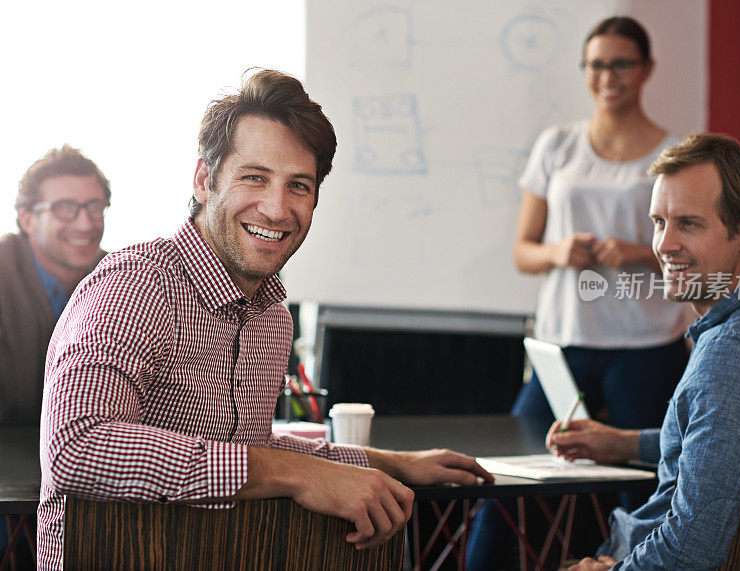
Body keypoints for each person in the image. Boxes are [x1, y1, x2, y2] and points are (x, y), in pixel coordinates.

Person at [37, 69, 492, 570]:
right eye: (255, 177)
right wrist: (294, 473)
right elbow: (76, 447)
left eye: (298, 185)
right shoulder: (136, 284)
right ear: (204, 180)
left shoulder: (272, 319)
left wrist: (392, 464)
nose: (277, 209)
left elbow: (240, 451)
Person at [468, 17, 689, 569]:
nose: (607, 76)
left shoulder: (675, 153)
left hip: (647, 349)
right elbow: (524, 251)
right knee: (508, 481)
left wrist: (640, 251)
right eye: (596, 64)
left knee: (649, 493)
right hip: (562, 346)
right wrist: (558, 252)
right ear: (584, 71)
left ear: (645, 70)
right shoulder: (558, 144)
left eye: (620, 63)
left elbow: (696, 259)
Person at [548, 133, 740, 570]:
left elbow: (691, 549)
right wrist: (622, 443)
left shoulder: (732, 359)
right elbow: (718, 443)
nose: (663, 245)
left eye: (689, 223)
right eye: (659, 222)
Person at [0, 145, 109, 423]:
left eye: (95, 207)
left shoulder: (117, 278)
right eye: (65, 208)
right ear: (27, 218)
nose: (85, 224)